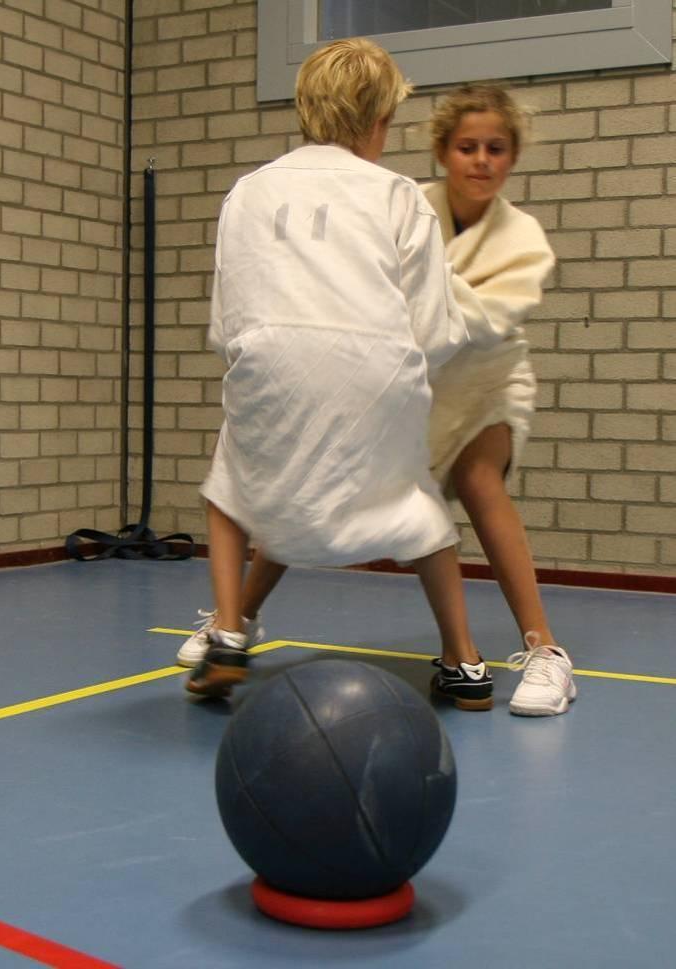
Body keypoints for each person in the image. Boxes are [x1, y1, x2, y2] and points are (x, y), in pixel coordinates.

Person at [184, 38, 496, 710]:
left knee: (231, 483)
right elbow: (434, 327)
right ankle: (464, 663)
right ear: (377, 121)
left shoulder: (248, 191)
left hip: (269, 366)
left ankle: (229, 631)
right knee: (416, 503)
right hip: (377, 370)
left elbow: (228, 318)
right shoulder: (400, 196)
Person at [421, 84, 576, 717]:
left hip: (492, 377)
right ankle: (235, 625)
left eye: (496, 148)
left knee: (480, 480)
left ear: (512, 157)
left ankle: (546, 653)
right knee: (335, 484)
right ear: (441, 152)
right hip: (421, 385)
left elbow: (484, 320)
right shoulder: (408, 211)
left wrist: (420, 287)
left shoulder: (524, 237)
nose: (481, 160)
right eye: (467, 147)